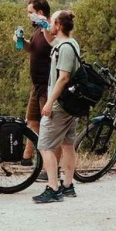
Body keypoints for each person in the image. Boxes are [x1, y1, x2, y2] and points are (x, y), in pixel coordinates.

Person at [33, 10, 80, 204]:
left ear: (59, 26)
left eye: (52, 23)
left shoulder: (66, 48)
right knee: (67, 144)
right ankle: (68, 185)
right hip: (70, 103)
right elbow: (53, 45)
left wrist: (50, 102)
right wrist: (45, 28)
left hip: (60, 104)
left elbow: (63, 77)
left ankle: (53, 188)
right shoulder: (68, 43)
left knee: (44, 145)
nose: (50, 26)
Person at [21, 0, 55, 166]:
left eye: (30, 13)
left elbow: (56, 44)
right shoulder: (37, 31)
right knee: (32, 121)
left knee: (48, 126)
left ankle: (46, 165)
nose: (29, 16)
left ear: (40, 13)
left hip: (48, 86)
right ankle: (27, 158)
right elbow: (31, 49)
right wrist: (21, 41)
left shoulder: (50, 29)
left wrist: (47, 27)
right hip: (36, 86)